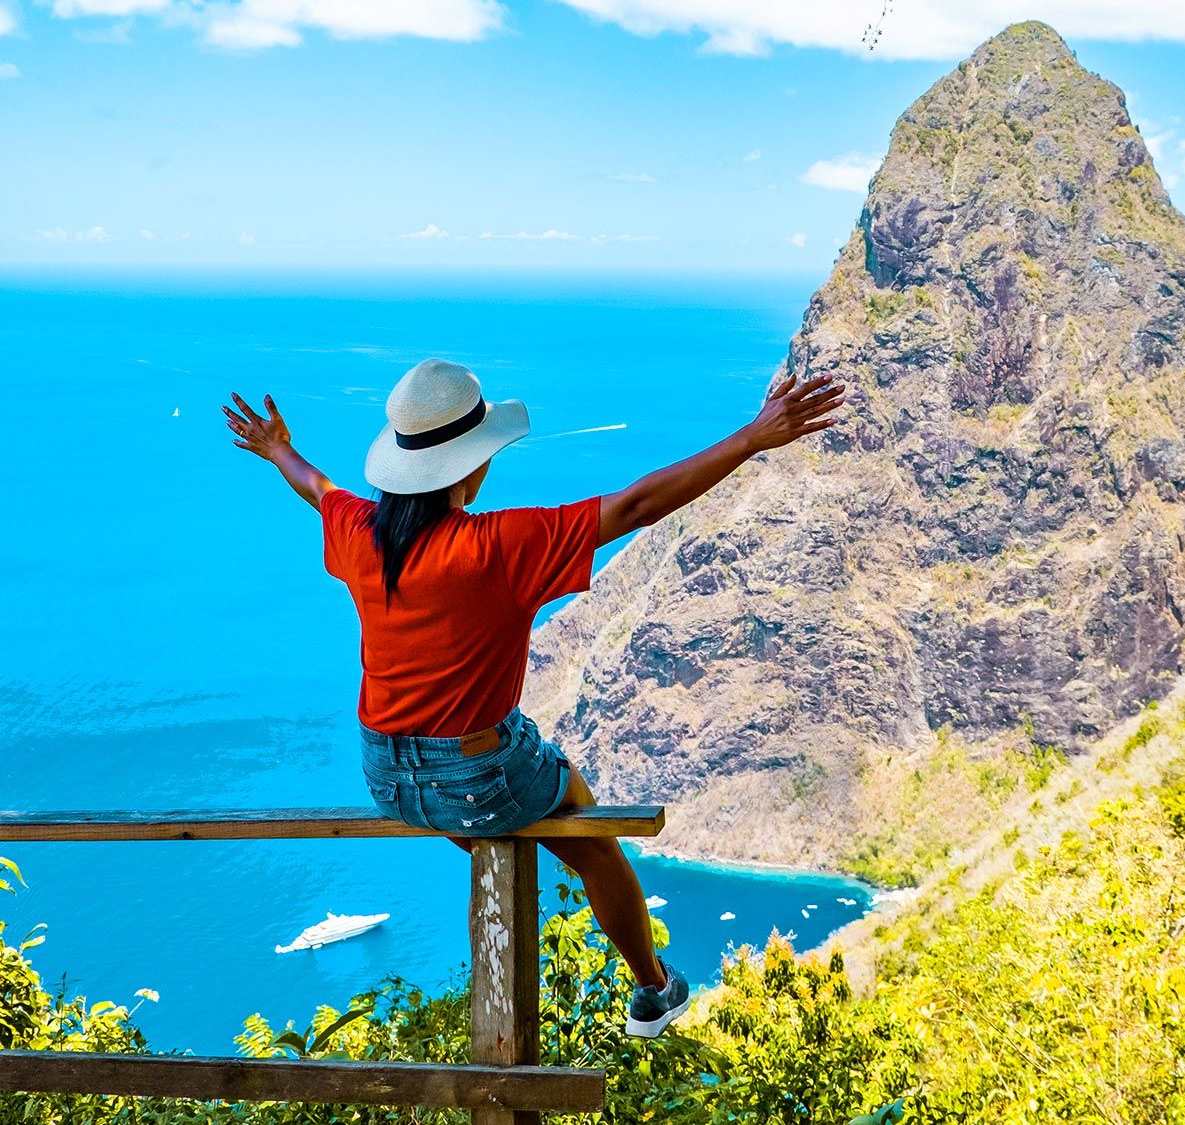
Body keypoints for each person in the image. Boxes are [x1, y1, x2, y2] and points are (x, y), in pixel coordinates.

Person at [221, 355, 843, 1037]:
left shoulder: (359, 531)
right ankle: (652, 987)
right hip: (474, 776)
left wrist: (278, 448)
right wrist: (750, 438)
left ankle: (506, 850)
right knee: (587, 824)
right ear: (469, 465)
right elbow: (634, 505)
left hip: (386, 778)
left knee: (500, 798)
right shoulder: (498, 545)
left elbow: (320, 488)